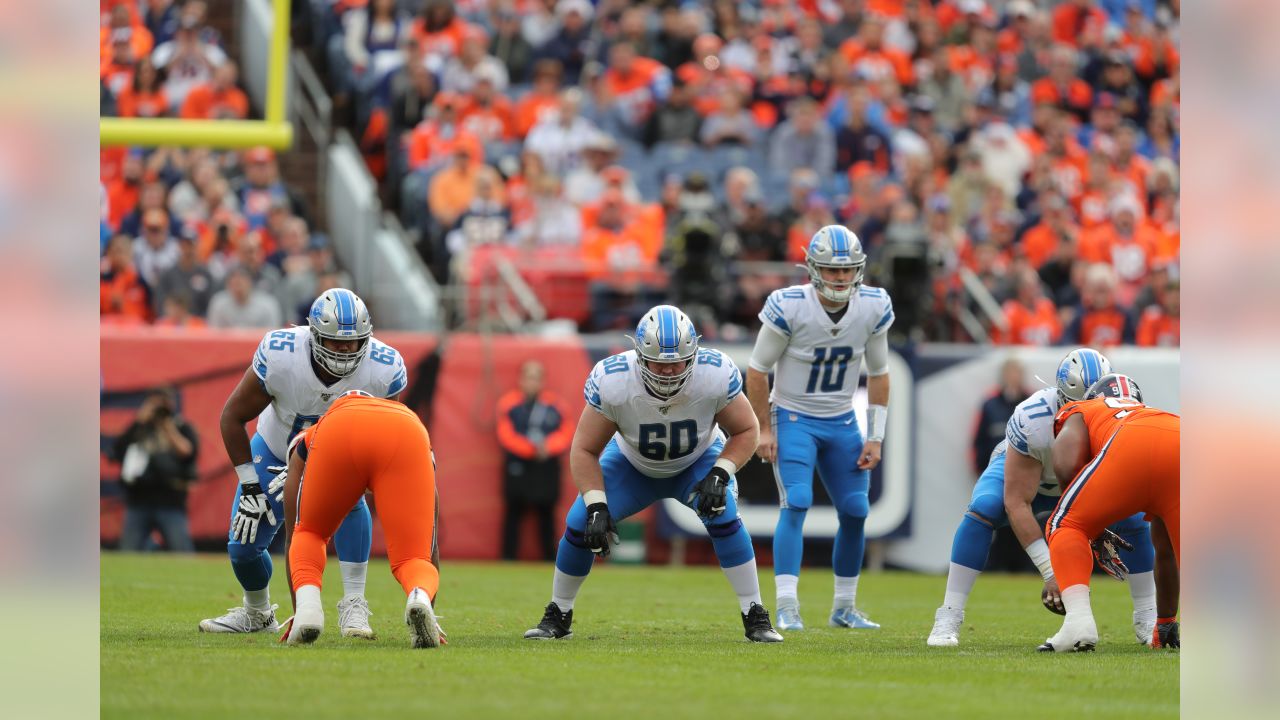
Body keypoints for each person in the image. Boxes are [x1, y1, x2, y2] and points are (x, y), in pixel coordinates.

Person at [522, 305, 782, 643]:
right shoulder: (614, 379)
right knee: (580, 523)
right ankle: (558, 613)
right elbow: (584, 449)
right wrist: (597, 505)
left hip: (698, 461)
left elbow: (747, 430)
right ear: (640, 355)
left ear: (694, 354)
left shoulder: (714, 373)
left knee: (724, 516)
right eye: (660, 362)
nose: (670, 371)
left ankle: (755, 614)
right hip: (632, 464)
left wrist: (721, 472)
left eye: (677, 362)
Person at [198, 289, 408, 638]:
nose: (344, 351)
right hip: (277, 451)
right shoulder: (282, 354)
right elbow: (231, 417)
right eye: (334, 342)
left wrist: (365, 477)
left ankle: (354, 605)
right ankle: (257, 612)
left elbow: (383, 435)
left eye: (353, 343)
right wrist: (250, 483)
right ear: (313, 335)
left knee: (352, 502)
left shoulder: (383, 368)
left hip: (339, 460)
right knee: (242, 549)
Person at [926, 349, 1157, 647]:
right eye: (1081, 408)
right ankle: (949, 615)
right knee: (984, 509)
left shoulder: (1120, 416)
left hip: (1080, 482)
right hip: (1031, 476)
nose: (1087, 417)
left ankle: (1147, 616)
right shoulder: (1033, 418)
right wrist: (1052, 572)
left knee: (1135, 517)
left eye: (1095, 407)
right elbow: (1017, 502)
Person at [745, 225, 892, 631]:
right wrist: (763, 429)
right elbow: (757, 371)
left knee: (856, 509)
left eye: (847, 271)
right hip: (793, 415)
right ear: (813, 268)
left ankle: (844, 607)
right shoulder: (789, 305)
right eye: (831, 269)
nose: (840, 278)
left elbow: (879, 374)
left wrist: (875, 436)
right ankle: (787, 605)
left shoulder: (873, 305)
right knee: (797, 500)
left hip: (842, 419)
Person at [280, 391, 443, 648]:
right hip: (406, 431)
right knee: (414, 557)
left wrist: (297, 603)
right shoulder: (404, 418)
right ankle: (419, 597)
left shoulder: (316, 430)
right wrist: (431, 613)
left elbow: (295, 530)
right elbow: (430, 532)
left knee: (309, 532)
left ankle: (308, 610)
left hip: (339, 430)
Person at [1041, 373, 1180, 652]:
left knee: (1063, 524)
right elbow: (1164, 554)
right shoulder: (1150, 412)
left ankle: (1078, 624)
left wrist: (1088, 525)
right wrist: (1165, 619)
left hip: (1130, 442)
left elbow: (1066, 464)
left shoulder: (1084, 408)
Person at [497, 361, 573, 561]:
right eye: (528, 377)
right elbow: (505, 434)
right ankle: (508, 557)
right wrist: (530, 449)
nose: (532, 383)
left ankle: (550, 558)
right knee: (513, 513)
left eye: (536, 378)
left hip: (546, 466)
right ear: (521, 380)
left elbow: (566, 432)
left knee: (546, 514)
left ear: (543, 381)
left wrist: (548, 447)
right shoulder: (509, 403)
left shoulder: (556, 405)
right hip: (519, 465)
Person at [112, 388, 199, 552]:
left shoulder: (181, 427)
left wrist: (166, 425)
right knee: (127, 553)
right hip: (139, 500)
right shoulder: (140, 428)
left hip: (170, 500)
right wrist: (138, 421)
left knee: (182, 553)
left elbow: (187, 452)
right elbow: (117, 451)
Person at [205, 266, 283, 329]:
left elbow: (273, 334)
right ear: (227, 285)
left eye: (241, 282)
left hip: (260, 346)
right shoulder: (218, 302)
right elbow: (213, 333)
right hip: (227, 347)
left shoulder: (268, 304)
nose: (238, 287)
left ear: (250, 282)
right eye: (234, 283)